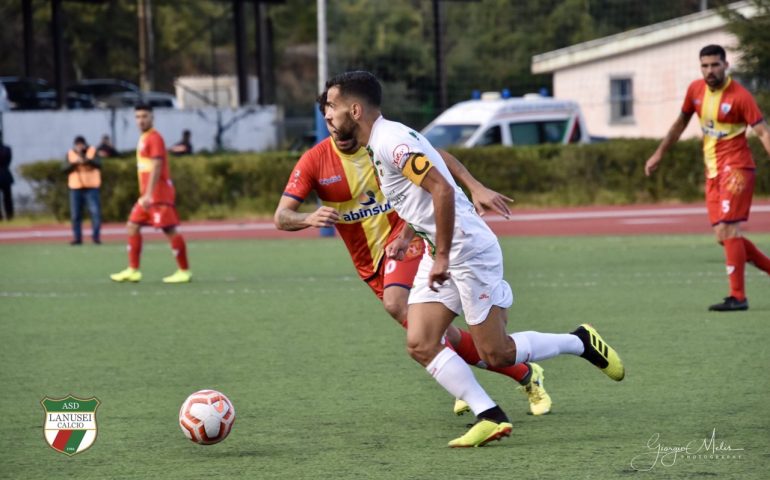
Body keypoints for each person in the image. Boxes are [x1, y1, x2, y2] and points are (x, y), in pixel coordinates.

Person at [323, 71, 625, 447]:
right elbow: (432, 168)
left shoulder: (390, 141)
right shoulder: (381, 140)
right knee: (420, 342)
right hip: (441, 250)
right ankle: (490, 415)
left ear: (355, 109)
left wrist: (444, 256)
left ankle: (580, 341)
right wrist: (406, 236)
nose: (327, 115)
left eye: (332, 106)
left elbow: (440, 191)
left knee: (496, 355)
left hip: (467, 252)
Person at [275, 93, 552, 417]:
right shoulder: (315, 161)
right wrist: (307, 218)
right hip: (369, 262)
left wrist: (474, 185)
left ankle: (482, 401)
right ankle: (522, 374)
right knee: (437, 337)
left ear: (352, 113)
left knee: (399, 306)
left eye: (334, 115)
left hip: (407, 239)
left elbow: (438, 160)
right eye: (327, 120)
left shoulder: (378, 141)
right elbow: (281, 216)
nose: (333, 126)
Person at [645, 44, 770, 312]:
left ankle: (738, 297)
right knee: (723, 237)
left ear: (726, 65)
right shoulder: (695, 90)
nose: (710, 70)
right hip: (713, 172)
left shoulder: (740, 96)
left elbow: (762, 132)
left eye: (715, 65)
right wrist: (658, 154)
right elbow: (680, 124)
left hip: (736, 169)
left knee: (729, 230)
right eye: (705, 65)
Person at [110, 104, 192, 284]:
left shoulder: (155, 138)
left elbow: (157, 165)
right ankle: (133, 270)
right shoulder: (144, 138)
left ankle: (184, 271)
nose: (141, 120)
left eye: (144, 116)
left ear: (152, 117)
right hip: (147, 196)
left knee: (170, 230)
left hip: (158, 194)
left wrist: (148, 194)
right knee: (132, 225)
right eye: (138, 117)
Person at [65, 136, 102, 245]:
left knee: (95, 212)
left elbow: (99, 164)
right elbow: (64, 168)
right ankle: (77, 238)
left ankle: (96, 237)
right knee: (75, 215)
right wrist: (75, 163)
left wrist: (88, 160)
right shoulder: (70, 154)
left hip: (91, 187)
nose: (80, 147)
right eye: (77, 145)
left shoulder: (92, 151)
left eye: (81, 144)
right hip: (76, 187)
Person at [0, 136, 13, 221]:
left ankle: (8, 215)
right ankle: (9, 215)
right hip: (5, 175)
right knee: (7, 198)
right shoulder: (7, 149)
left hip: (5, 175)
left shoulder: (7, 149)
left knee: (7, 197)